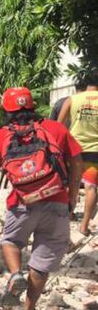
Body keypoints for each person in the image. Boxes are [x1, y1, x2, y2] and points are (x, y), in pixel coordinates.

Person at [0, 87, 83, 310]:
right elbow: (77, 160)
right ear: (33, 106)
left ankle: (16, 273)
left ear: (5, 110)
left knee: (11, 241)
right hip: (56, 199)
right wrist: (72, 195)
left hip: (21, 202)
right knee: (42, 261)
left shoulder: (0, 135)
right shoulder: (56, 128)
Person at [57, 72, 98, 235]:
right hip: (96, 151)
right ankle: (84, 226)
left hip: (74, 150)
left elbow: (58, 126)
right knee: (91, 188)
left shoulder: (72, 100)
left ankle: (68, 217)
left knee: (72, 184)